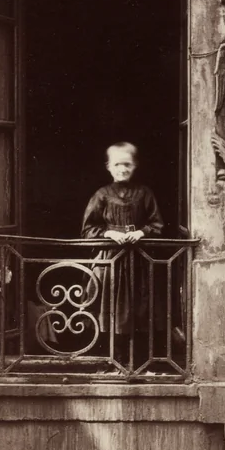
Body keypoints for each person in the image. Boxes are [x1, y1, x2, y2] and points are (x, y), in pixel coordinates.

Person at [81, 143, 164, 356]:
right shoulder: (102, 195)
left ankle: (139, 360)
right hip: (111, 260)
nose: (123, 169)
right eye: (117, 164)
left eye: (127, 164)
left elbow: (157, 224)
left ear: (135, 166)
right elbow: (88, 229)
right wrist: (110, 234)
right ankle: (111, 358)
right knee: (110, 307)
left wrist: (142, 232)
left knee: (140, 307)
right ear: (109, 167)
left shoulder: (144, 193)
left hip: (139, 260)